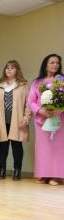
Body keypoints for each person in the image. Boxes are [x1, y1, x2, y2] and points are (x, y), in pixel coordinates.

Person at [28, 54, 63, 186]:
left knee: (58, 147)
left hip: (59, 119)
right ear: (46, 65)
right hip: (41, 119)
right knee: (43, 148)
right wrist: (40, 111)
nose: (55, 65)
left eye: (57, 63)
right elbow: (31, 100)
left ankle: (58, 176)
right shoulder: (37, 82)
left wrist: (60, 109)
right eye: (52, 62)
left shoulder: (61, 80)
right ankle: (44, 174)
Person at [0, 60, 30, 181]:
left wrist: (26, 117)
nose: (9, 70)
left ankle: (17, 171)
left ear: (17, 70)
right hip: (1, 120)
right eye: (7, 67)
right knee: (2, 146)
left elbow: (28, 104)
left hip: (17, 120)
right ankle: (1, 170)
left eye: (12, 68)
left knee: (17, 146)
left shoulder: (22, 85)